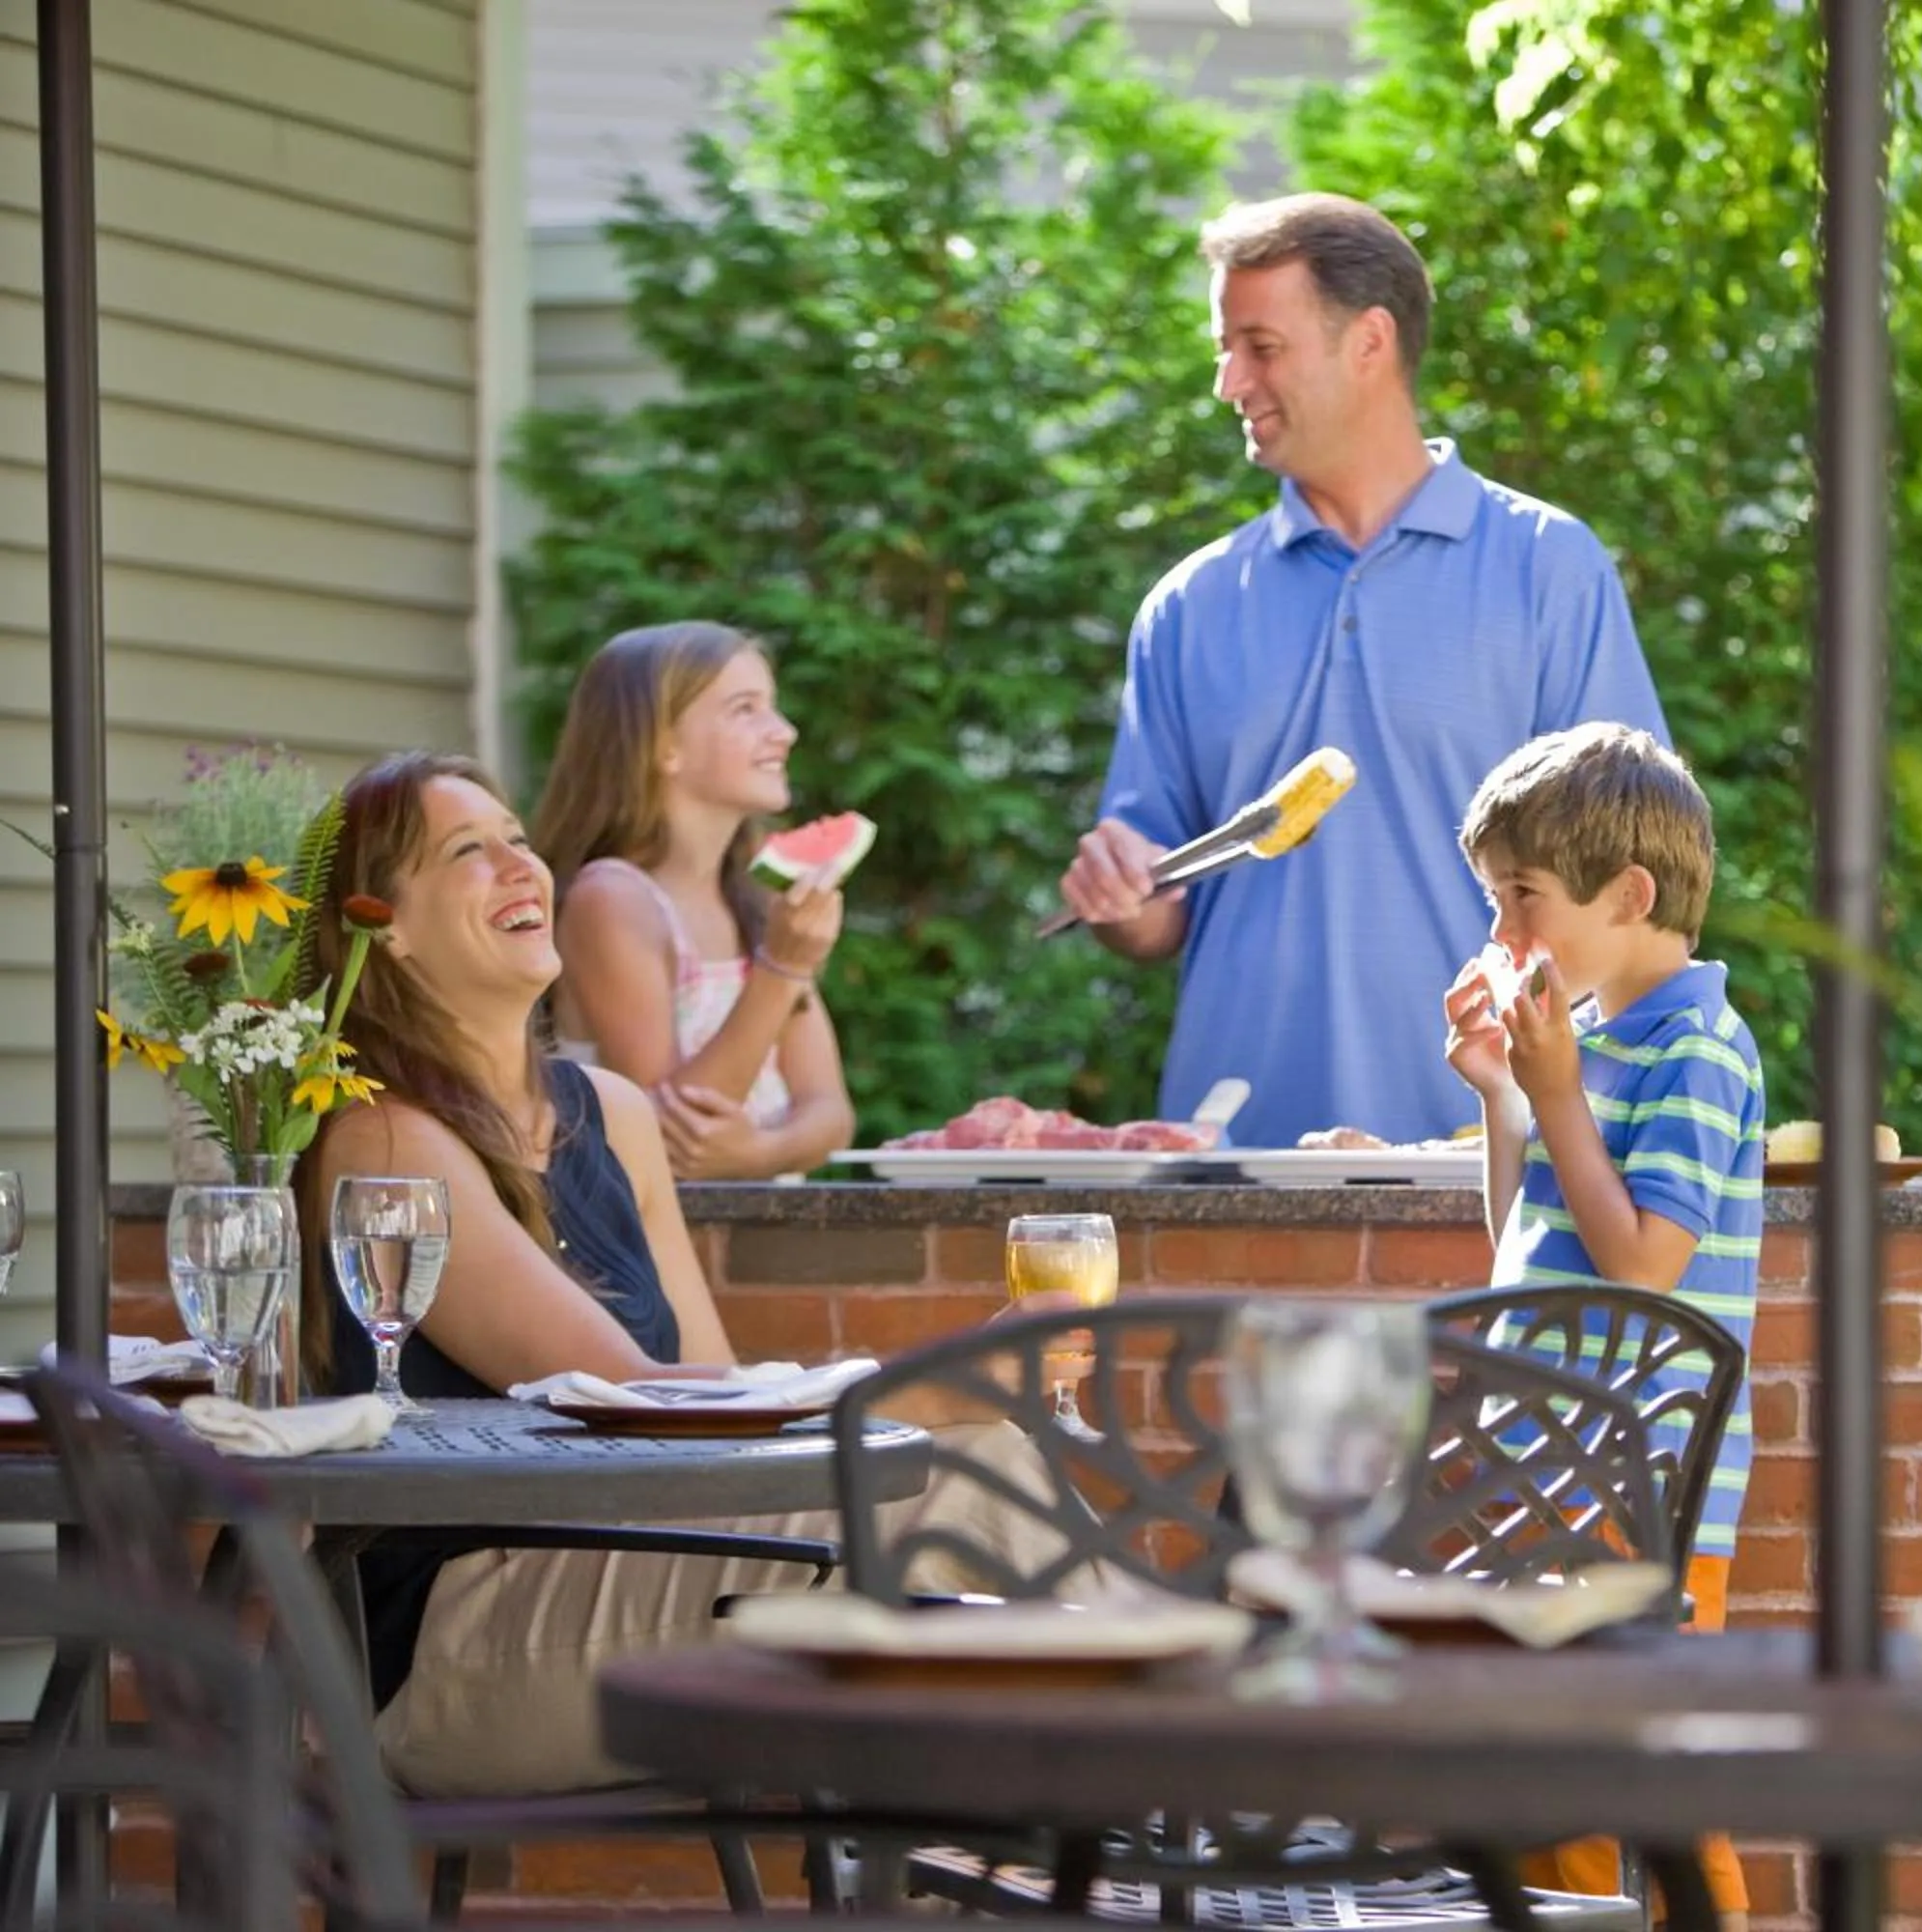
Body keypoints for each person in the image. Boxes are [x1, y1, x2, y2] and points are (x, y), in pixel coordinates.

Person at [293, 752, 1060, 1797]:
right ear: (387, 925)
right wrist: (904, 1395)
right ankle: (1142, 1838)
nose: (521, 864)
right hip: (455, 1645)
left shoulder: (614, 1113)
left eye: (519, 836)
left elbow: (715, 1389)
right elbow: (638, 1403)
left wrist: (917, 1407)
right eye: (468, 851)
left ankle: (1035, 1867)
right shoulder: (387, 1140)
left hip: (647, 1551)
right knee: (965, 1497)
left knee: (981, 1467)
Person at [1059, 192, 1668, 1150]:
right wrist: (1116, 897)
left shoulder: (1547, 566)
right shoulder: (1188, 605)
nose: (1228, 382)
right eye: (1225, 349)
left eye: (1259, 347)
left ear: (1370, 341)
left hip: (1491, 1152)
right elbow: (1152, 920)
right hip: (1236, 1160)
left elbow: (1637, 880)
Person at [1440, 723, 1764, 1929]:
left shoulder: (1697, 1046)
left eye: (1519, 898)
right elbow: (1529, 1257)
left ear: (1629, 894)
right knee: (1555, 1792)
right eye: (1492, 901)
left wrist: (1559, 1088)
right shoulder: (1600, 1042)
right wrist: (1505, 1097)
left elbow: (1642, 1265)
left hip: (1637, 1484)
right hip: (1549, 1467)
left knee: (1658, 1781)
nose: (1499, 935)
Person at [535, 621, 855, 1180]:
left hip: (752, 1239)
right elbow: (668, 1136)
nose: (785, 731)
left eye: (772, 706)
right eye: (745, 709)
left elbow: (831, 1113)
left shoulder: (750, 898)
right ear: (664, 745)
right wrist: (782, 968)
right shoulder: (610, 900)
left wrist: (758, 1154)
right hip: (658, 1252)